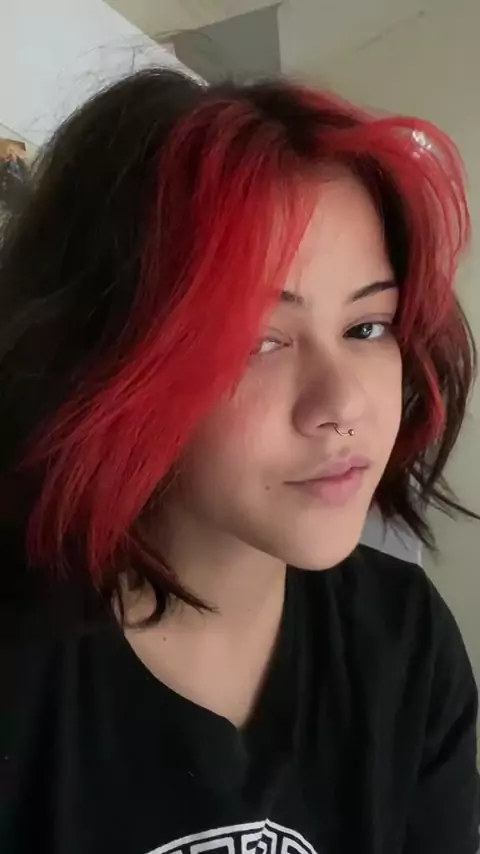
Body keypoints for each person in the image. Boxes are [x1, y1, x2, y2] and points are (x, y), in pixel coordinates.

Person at [0, 68, 478, 854]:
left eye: (367, 327)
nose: (342, 405)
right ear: (108, 364)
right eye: (258, 341)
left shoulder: (405, 642)